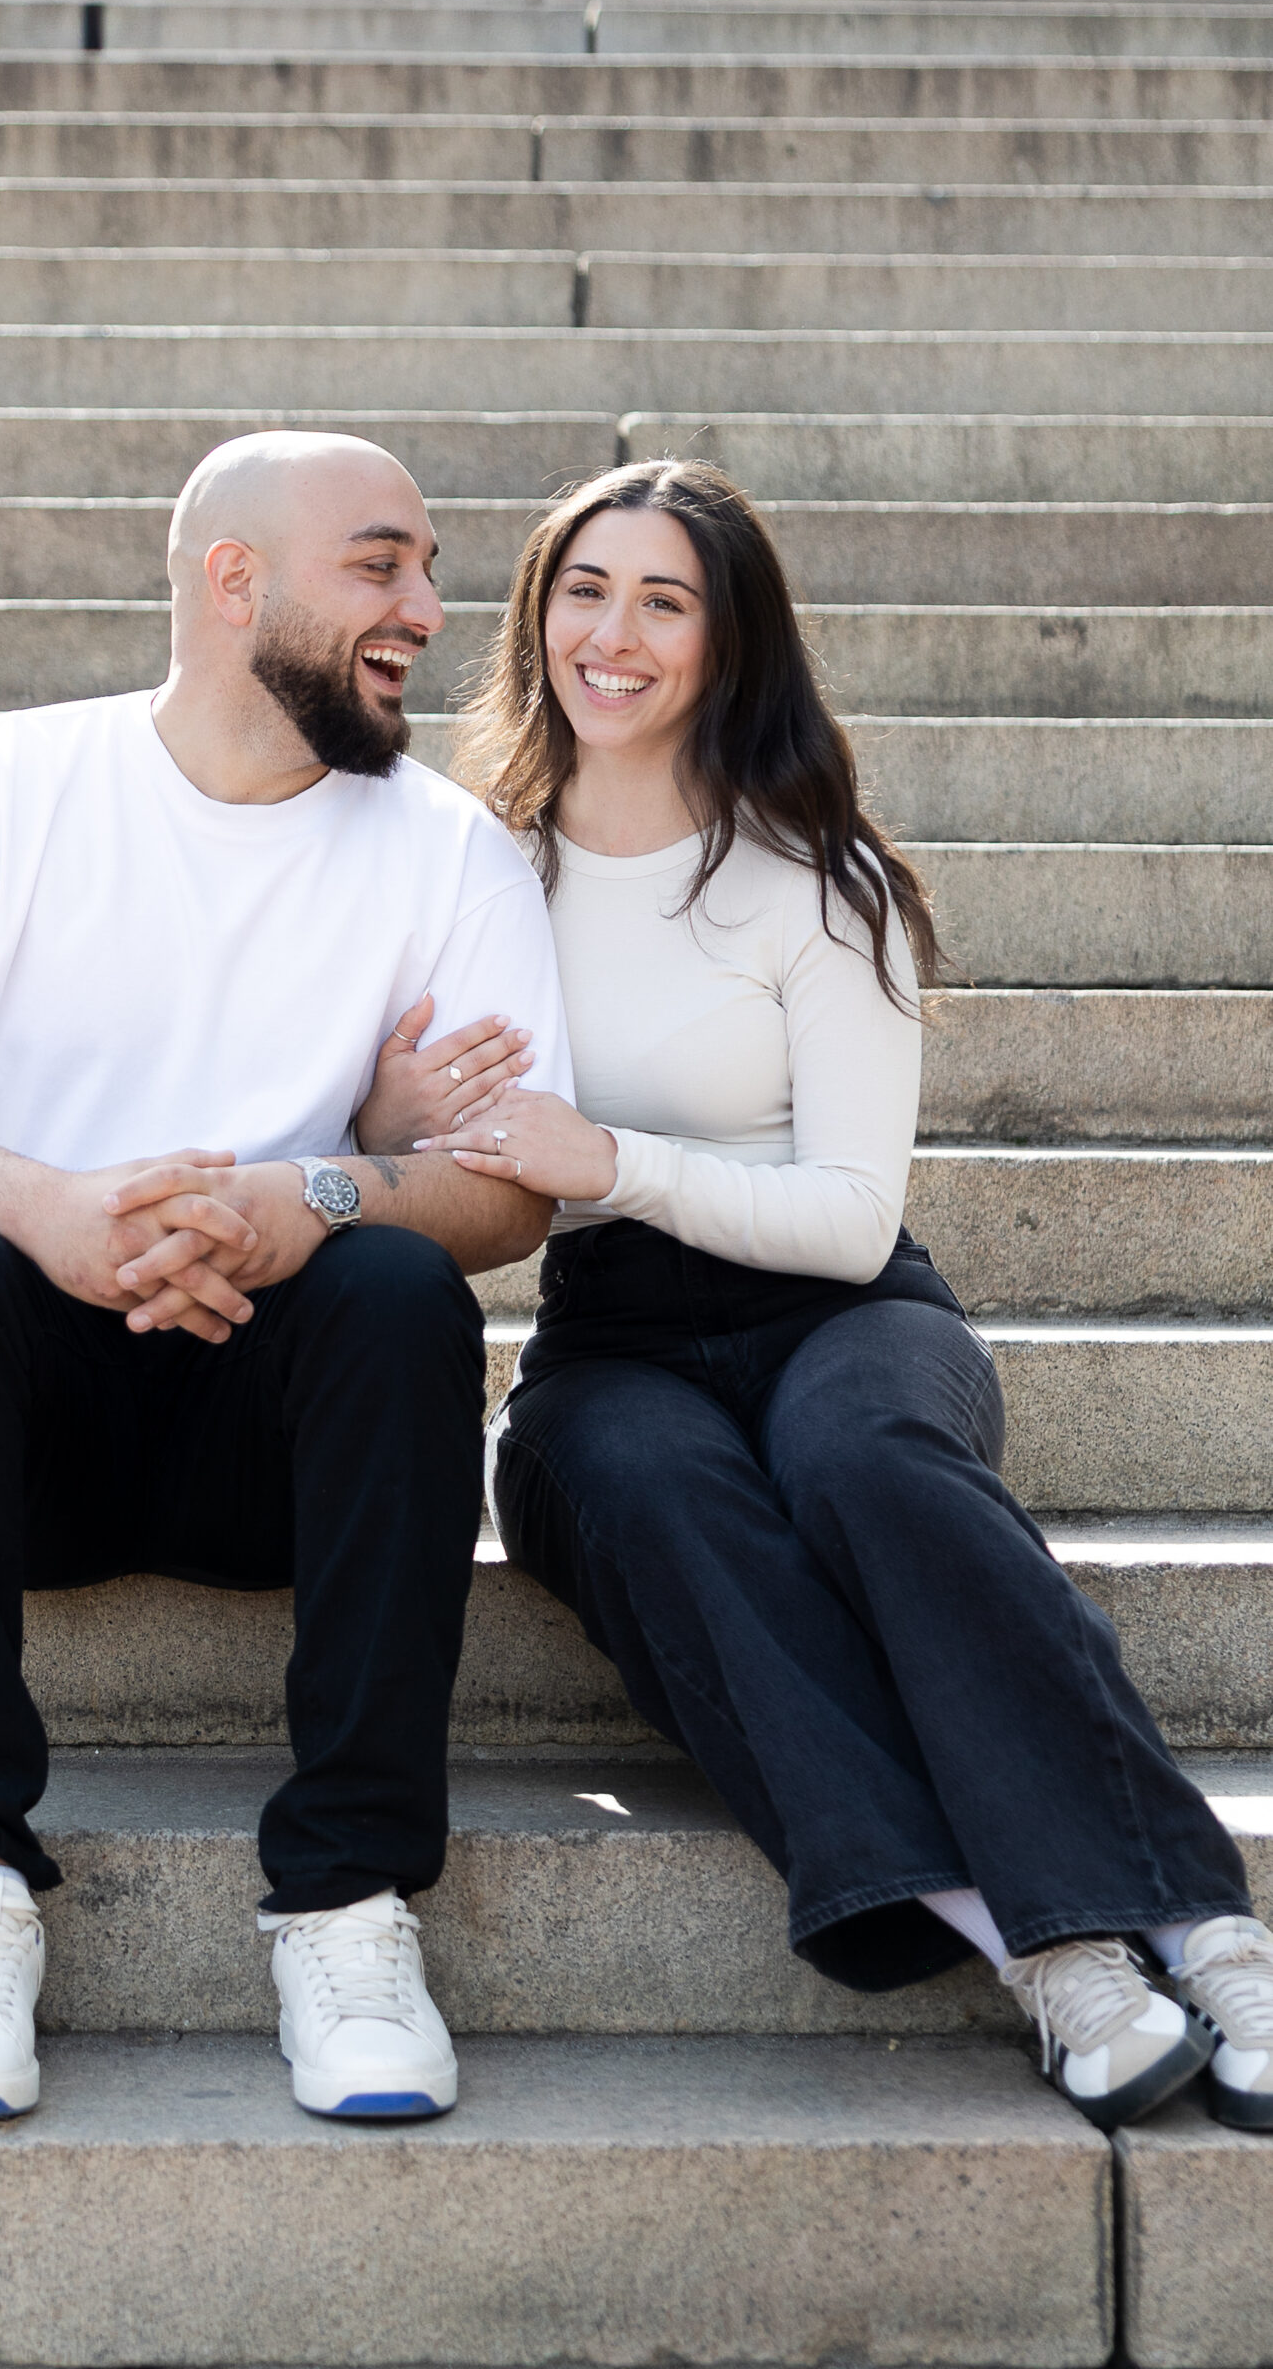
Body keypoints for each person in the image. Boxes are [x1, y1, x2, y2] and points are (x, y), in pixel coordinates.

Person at [358, 457, 1273, 2136]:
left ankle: (1211, 1935)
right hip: (611, 1343)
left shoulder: (816, 880)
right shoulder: (465, 868)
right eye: (582, 589)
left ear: (729, 641)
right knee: (651, 1487)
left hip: (841, 1315)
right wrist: (388, 1121)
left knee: (865, 1467)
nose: (610, 636)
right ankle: (1046, 1954)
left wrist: (605, 1155)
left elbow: (852, 1225)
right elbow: (388, 1122)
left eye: (663, 600)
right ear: (534, 612)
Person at [0, 431, 570, 2126]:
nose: (429, 607)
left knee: (401, 1293)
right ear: (234, 579)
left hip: (276, 1445)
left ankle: (349, 1904)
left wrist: (312, 1196)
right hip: (22, 1434)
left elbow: (506, 1202)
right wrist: (48, 1212)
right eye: (382, 564)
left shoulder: (450, 852)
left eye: (428, 569)